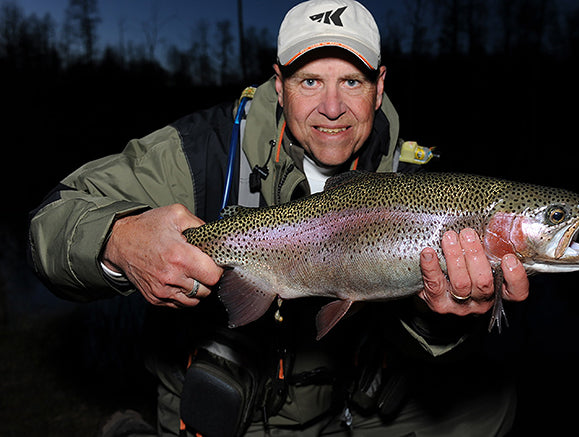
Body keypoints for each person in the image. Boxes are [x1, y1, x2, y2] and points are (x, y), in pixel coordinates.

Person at [28, 1, 529, 436]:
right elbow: (51, 222)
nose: (332, 107)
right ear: (280, 84)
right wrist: (119, 241)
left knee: (490, 407)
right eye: (310, 80)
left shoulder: (415, 182)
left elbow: (421, 324)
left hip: (345, 402)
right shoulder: (201, 150)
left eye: (351, 81)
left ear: (379, 88)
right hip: (228, 407)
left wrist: (442, 317)